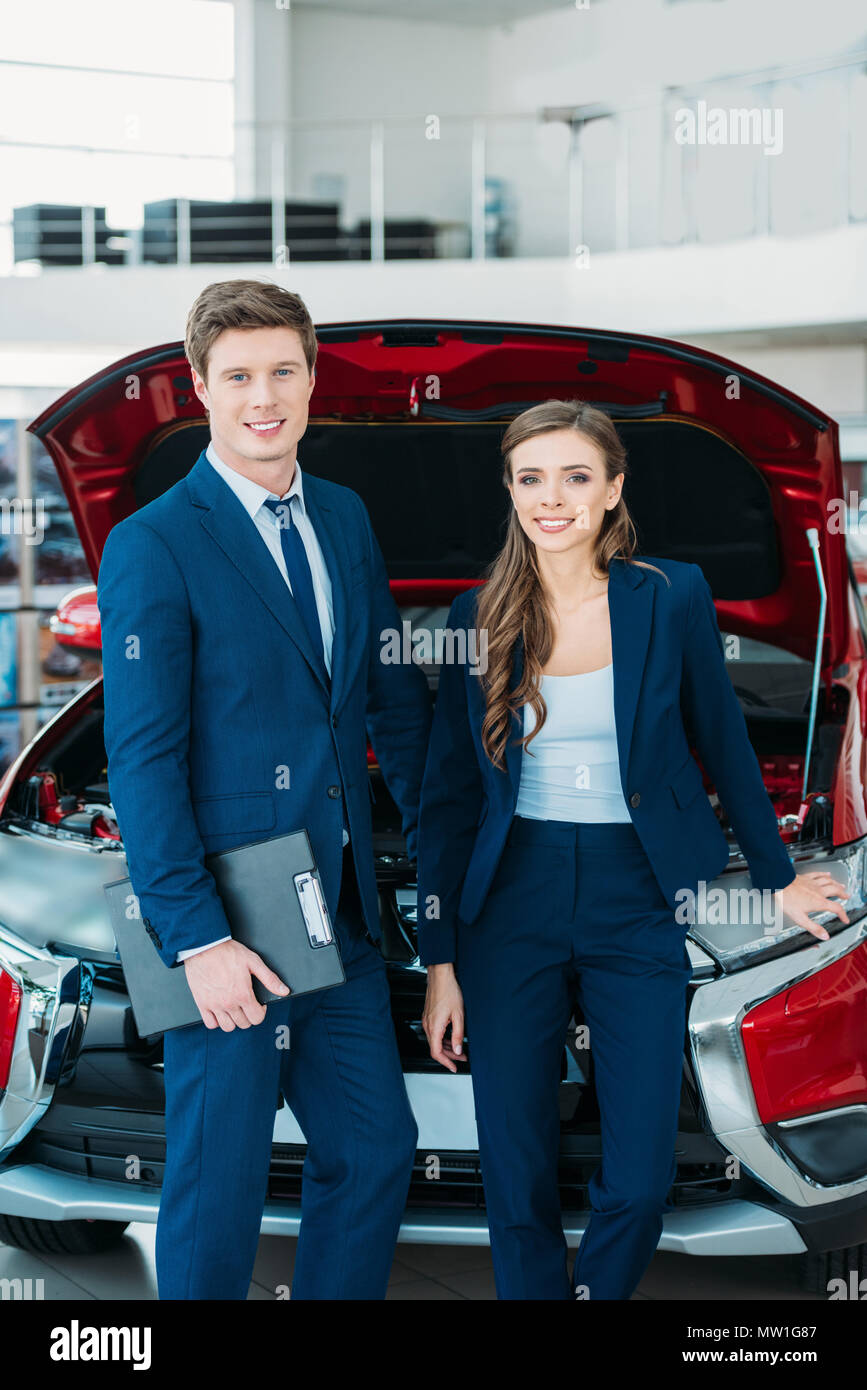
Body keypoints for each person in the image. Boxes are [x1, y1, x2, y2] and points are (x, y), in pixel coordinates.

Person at [416, 399, 848, 1301]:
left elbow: (722, 741)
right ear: (510, 489)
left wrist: (774, 880)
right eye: (530, 477)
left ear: (612, 490)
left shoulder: (670, 594)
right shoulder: (473, 612)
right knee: (514, 1152)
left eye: (576, 477)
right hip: (510, 899)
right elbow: (449, 798)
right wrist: (441, 962)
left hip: (639, 891)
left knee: (641, 1161)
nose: (552, 498)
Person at [97, 278, 432, 1300]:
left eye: (283, 369)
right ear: (199, 386)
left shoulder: (343, 514)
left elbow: (388, 703)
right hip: (229, 923)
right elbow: (143, 759)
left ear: (312, 376)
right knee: (220, 1179)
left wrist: (444, 863)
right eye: (238, 374)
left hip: (337, 914)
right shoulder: (155, 541)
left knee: (375, 1149)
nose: (264, 396)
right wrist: (195, 941)